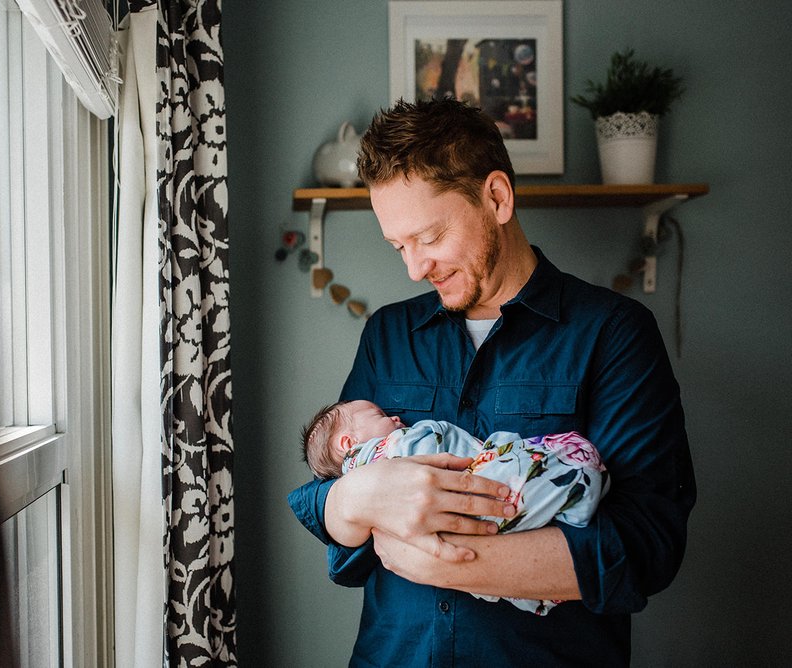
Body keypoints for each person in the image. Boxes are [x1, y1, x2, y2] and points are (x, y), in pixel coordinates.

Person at [286, 98, 696, 666]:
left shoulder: (614, 334)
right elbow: (333, 498)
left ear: (496, 197)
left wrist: (441, 562)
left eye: (428, 237)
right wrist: (356, 498)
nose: (413, 268)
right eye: (398, 246)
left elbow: (647, 544)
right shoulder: (387, 335)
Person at [301, 399, 610, 615]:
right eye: (381, 414)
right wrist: (353, 498)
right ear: (347, 443)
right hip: (475, 495)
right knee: (567, 464)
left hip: (493, 574)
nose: (395, 418)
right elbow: (339, 555)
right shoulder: (390, 447)